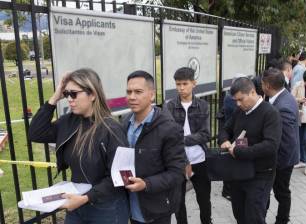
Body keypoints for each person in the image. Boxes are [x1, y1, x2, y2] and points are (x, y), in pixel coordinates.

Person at [28, 68, 129, 224]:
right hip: (77, 203)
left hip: (106, 207)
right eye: (66, 94)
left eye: (74, 93)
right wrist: (55, 97)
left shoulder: (111, 130)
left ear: (93, 94)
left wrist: (86, 198)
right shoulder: (68, 122)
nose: (69, 99)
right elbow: (36, 133)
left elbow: (120, 178)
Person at [123, 70, 187, 224]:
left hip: (156, 209)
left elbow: (177, 173)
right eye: (129, 92)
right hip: (129, 206)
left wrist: (146, 184)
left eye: (138, 92)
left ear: (152, 95)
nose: (132, 97)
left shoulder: (169, 128)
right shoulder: (125, 123)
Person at [218, 77, 282, 224]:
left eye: (241, 99)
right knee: (239, 213)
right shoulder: (240, 111)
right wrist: (224, 140)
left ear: (252, 92)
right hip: (238, 171)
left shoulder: (270, 113)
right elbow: (225, 129)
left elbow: (271, 146)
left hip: (260, 173)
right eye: (235, 101)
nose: (238, 104)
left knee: (254, 216)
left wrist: (239, 152)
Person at [164, 67, 212, 224]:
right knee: (178, 201)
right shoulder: (169, 106)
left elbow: (206, 134)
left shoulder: (203, 105)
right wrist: (184, 159)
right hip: (178, 161)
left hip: (199, 159)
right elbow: (169, 138)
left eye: (185, 83)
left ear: (194, 83)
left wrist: (182, 139)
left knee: (204, 199)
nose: (181, 88)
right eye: (178, 84)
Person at [261, 68, 300, 224]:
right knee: (272, 191)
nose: (261, 86)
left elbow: (286, 141)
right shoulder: (280, 96)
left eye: (262, 84)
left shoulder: (282, 106)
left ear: (268, 86)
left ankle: (282, 220)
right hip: (281, 159)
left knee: (281, 192)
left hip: (282, 160)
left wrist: (275, 165)